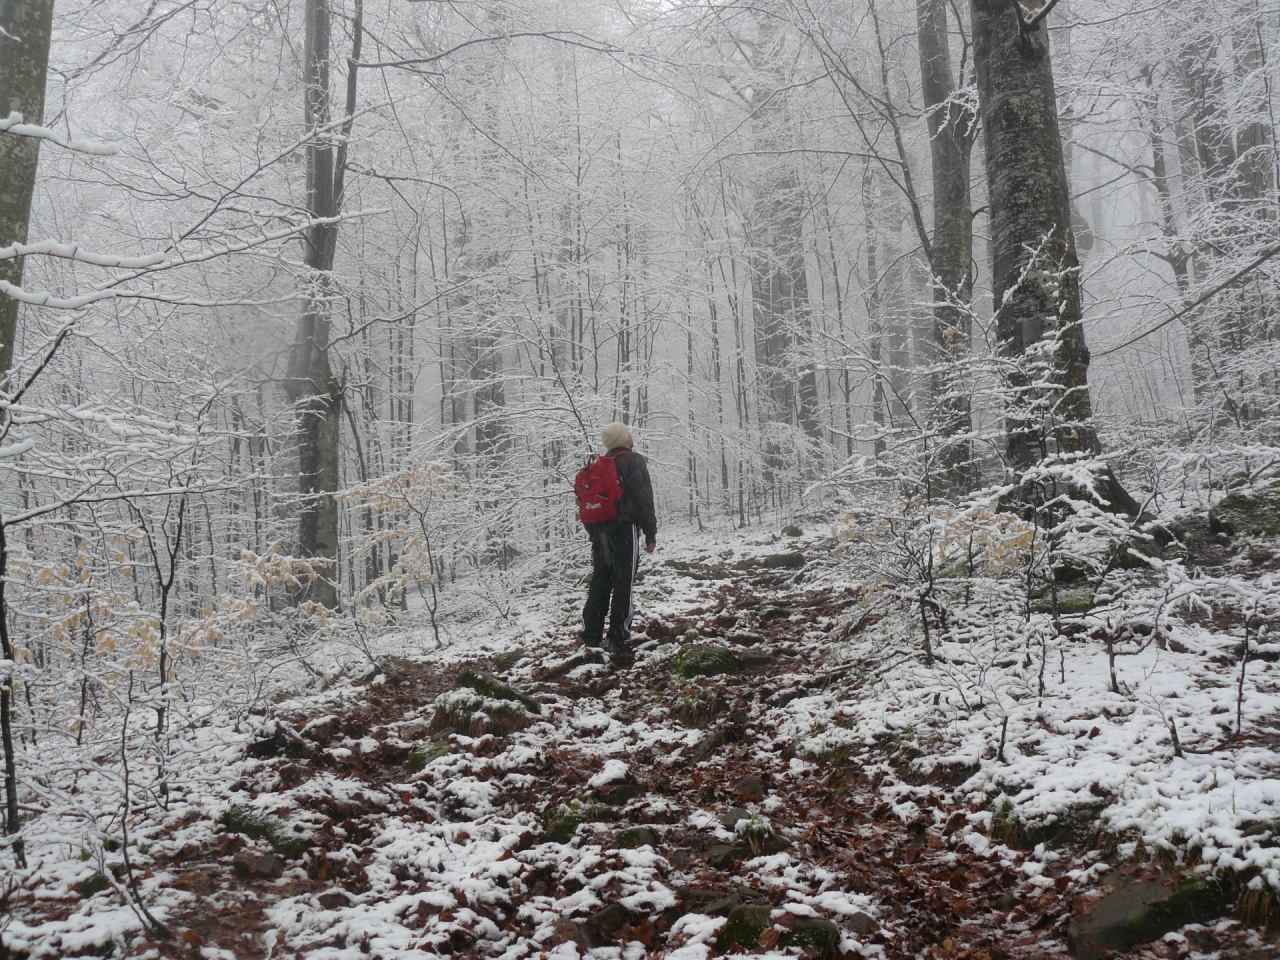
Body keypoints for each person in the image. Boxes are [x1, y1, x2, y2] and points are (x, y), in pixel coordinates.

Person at [582, 422, 657, 666]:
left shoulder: (601, 466)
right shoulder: (633, 461)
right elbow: (644, 496)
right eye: (628, 433)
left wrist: (595, 540)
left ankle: (591, 636)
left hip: (601, 530)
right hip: (624, 527)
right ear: (624, 438)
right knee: (623, 582)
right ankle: (618, 638)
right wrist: (650, 532)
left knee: (601, 581)